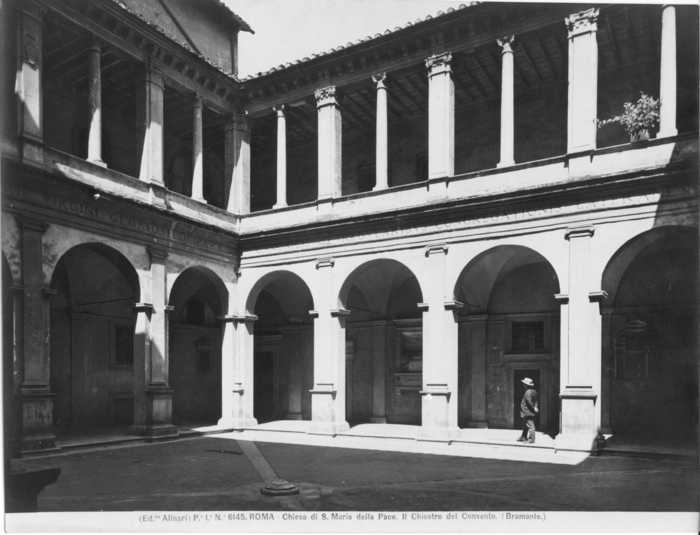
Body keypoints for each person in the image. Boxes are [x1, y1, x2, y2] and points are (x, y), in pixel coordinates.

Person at [517, 377, 539, 444]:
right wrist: (536, 407)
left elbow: (529, 401)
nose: (523, 385)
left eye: (524, 384)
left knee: (530, 425)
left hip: (527, 411)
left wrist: (533, 408)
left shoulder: (527, 392)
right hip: (529, 411)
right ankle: (523, 437)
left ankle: (531, 440)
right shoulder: (534, 391)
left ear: (526, 385)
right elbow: (536, 401)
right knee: (525, 424)